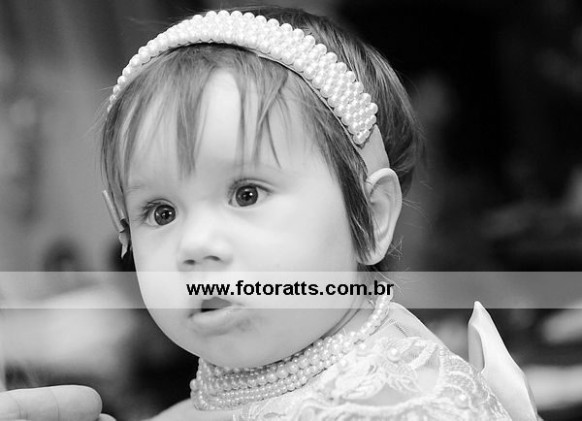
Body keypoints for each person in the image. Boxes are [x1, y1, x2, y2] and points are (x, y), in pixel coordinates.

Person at [100, 7, 539, 420]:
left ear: (369, 217)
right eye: (161, 213)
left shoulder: (400, 406)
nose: (194, 245)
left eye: (247, 194)